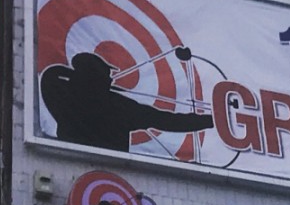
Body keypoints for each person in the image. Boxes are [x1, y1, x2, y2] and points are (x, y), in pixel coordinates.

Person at [40, 52, 213, 152]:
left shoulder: (64, 95)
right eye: (107, 75)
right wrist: (211, 120)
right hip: (113, 167)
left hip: (70, 158)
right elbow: (168, 121)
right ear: (97, 77)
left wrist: (74, 76)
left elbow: (51, 75)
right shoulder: (118, 106)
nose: (111, 79)